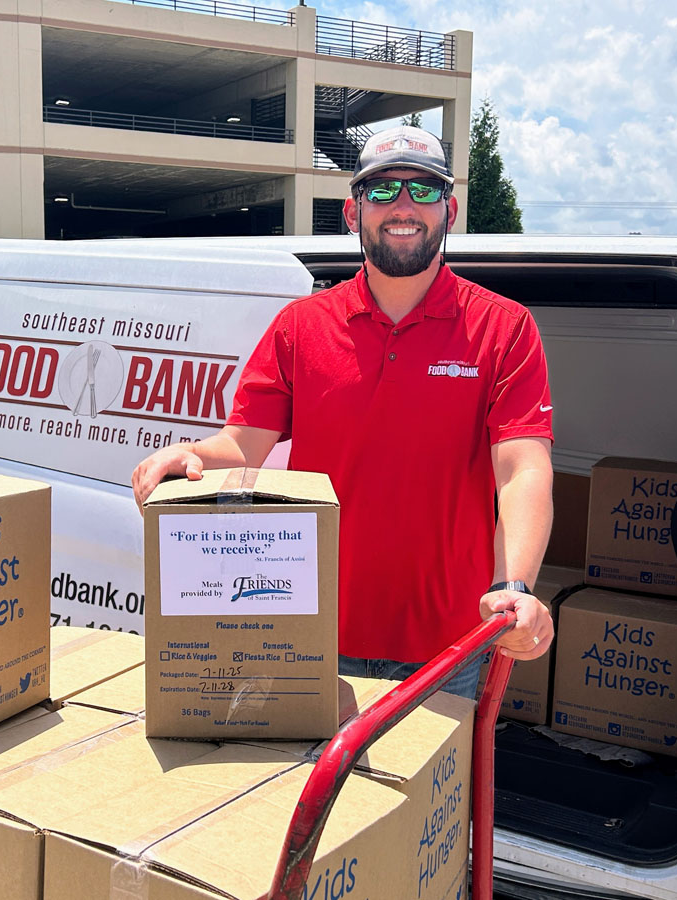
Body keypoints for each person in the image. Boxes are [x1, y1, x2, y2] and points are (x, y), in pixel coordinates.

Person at [131, 125, 555, 698]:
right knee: (314, 790)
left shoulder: (504, 329)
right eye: (381, 191)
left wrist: (515, 587)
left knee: (430, 792)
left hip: (452, 647)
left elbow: (522, 470)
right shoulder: (301, 327)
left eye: (423, 191)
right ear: (353, 213)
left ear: (449, 210)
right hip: (312, 633)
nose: (403, 206)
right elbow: (240, 446)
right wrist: (189, 455)